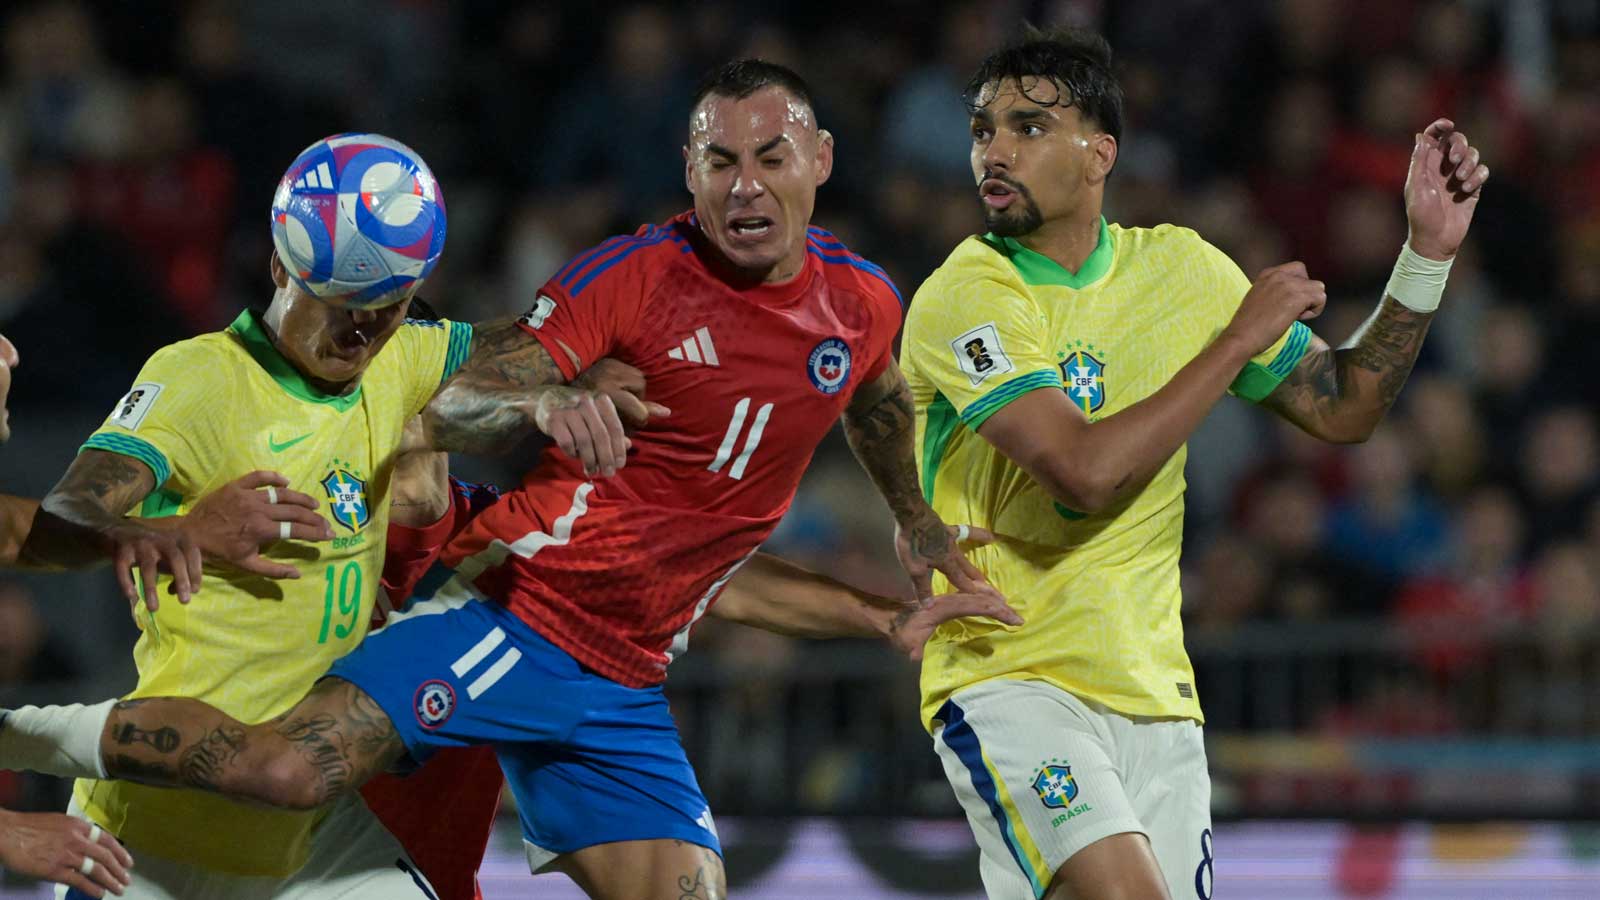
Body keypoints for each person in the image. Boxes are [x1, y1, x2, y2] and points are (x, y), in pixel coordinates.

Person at [0, 62, 1005, 900]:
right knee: (286, 770)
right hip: (475, 633)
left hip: (592, 690)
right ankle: (24, 734)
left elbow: (856, 409)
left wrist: (912, 527)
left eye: (770, 159)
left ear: (820, 160)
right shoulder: (200, 376)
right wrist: (544, 398)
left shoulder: (860, 303)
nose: (363, 329)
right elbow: (482, 387)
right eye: (720, 161)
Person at [898, 27, 1490, 900]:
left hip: (1158, 700)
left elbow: (1343, 405)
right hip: (1011, 680)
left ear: (1100, 154)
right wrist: (1238, 340)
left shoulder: (1180, 268)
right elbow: (1083, 472)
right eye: (984, 128)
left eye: (1028, 127)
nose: (995, 148)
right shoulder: (968, 295)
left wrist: (1426, 255)